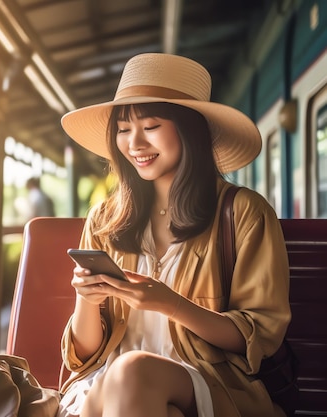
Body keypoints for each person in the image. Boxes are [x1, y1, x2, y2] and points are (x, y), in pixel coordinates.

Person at [57, 53, 291, 417]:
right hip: (106, 387)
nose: (134, 143)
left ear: (189, 130)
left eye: (150, 126)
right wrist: (86, 299)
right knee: (131, 380)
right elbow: (83, 357)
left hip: (209, 383)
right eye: (123, 129)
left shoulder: (243, 212)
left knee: (133, 371)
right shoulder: (106, 218)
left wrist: (171, 304)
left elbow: (260, 335)